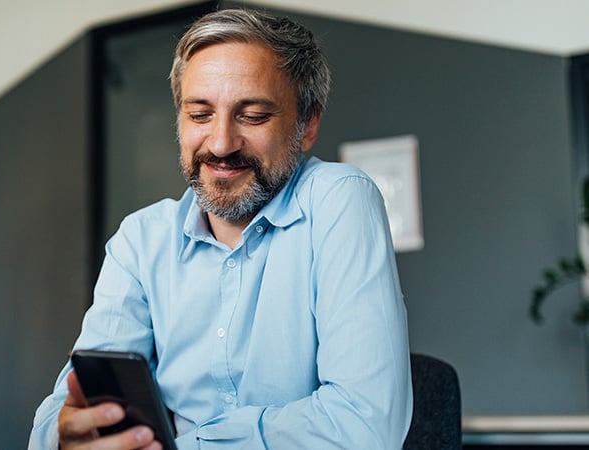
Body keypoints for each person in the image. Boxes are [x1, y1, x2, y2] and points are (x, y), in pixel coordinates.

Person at [29, 8, 412, 449]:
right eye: (199, 115)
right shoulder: (140, 240)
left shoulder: (339, 198)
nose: (221, 144)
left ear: (307, 126)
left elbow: (365, 426)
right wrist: (66, 436)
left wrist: (186, 445)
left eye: (252, 116)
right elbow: (68, 407)